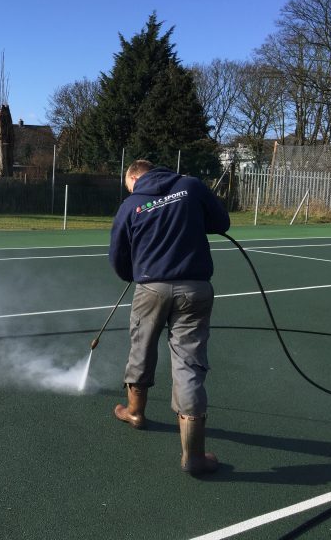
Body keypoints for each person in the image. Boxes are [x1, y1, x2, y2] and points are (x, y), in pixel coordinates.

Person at [108, 159, 230, 475]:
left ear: (134, 177)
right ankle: (193, 457)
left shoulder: (131, 204)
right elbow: (221, 223)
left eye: (129, 185)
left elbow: (118, 256)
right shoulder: (191, 186)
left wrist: (131, 274)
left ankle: (135, 412)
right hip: (195, 288)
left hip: (150, 288)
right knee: (188, 363)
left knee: (141, 348)